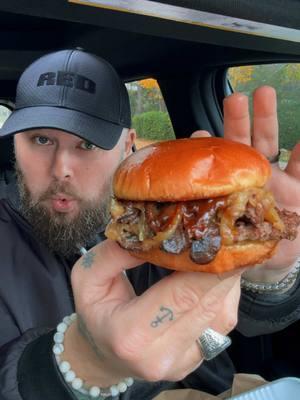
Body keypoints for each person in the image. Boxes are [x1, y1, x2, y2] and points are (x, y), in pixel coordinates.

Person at [0, 48, 299, 400]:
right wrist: (78, 366)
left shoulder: (167, 223)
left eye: (87, 142)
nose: (61, 168)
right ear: (15, 145)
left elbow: (254, 323)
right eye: (41, 139)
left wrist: (266, 277)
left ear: (128, 145)